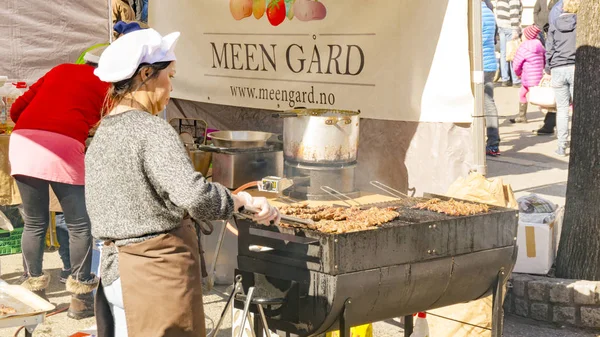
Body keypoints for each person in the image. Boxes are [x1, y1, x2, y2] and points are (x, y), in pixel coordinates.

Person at [86, 28, 280, 336]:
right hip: (154, 277)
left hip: (115, 275)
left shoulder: (103, 131)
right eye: (170, 76)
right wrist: (240, 201)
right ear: (146, 74)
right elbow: (194, 196)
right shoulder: (152, 131)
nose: (171, 87)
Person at [9, 52, 109, 319]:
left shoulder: (60, 69)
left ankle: (34, 290)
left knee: (34, 223)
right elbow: (110, 127)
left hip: (23, 142)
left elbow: (16, 109)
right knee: (79, 224)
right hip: (64, 145)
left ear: (85, 62)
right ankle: (80, 298)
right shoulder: (108, 85)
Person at [543, 0, 577, 156]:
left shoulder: (555, 23)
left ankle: (562, 146)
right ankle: (578, 142)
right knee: (578, 108)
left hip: (557, 67)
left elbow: (549, 48)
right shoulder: (580, 24)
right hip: (575, 66)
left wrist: (548, 68)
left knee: (562, 110)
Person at [535, 0, 563, 135]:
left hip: (559, 63)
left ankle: (559, 137)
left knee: (560, 101)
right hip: (571, 62)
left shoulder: (556, 9)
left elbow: (551, 46)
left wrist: (548, 68)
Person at [510, 25, 546, 124]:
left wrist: (518, 73)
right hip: (537, 76)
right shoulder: (540, 45)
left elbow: (517, 63)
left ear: (526, 36)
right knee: (522, 93)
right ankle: (522, 116)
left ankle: (549, 120)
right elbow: (545, 59)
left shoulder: (523, 47)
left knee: (539, 101)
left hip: (528, 77)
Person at [482, 1, 501, 157]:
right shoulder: (488, 11)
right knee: (489, 103)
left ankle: (491, 142)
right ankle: (493, 143)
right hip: (488, 62)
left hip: (478, 63)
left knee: (484, 104)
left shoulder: (475, 13)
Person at [494, 0, 523, 87]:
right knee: (513, 53)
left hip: (501, 27)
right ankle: (515, 80)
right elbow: (514, 14)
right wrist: (515, 30)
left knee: (503, 54)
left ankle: (505, 79)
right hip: (510, 28)